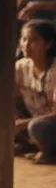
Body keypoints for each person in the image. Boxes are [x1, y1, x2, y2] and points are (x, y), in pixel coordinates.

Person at [12, 19, 56, 163]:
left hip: (46, 124)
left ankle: (48, 154)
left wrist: (23, 123)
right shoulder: (21, 66)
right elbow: (7, 96)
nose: (26, 45)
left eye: (33, 40)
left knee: (37, 126)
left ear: (48, 44)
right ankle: (31, 146)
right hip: (34, 120)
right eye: (24, 39)